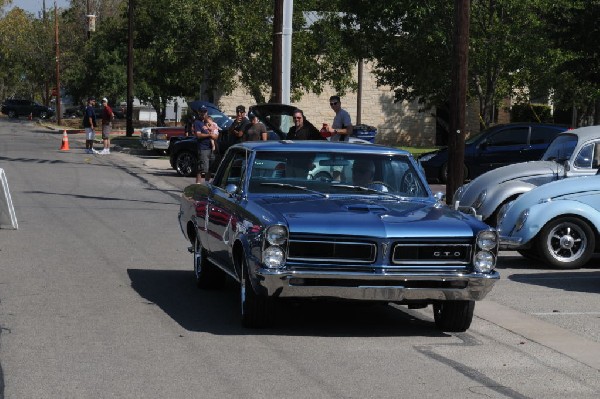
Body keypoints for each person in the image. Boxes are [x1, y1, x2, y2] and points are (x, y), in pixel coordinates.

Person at [194, 106, 217, 184]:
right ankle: (198, 185)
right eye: (202, 112)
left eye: (205, 112)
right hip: (203, 148)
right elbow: (198, 135)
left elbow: (215, 133)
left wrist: (213, 135)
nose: (203, 113)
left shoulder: (208, 122)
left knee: (210, 168)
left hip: (211, 148)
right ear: (199, 112)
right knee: (201, 168)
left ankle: (207, 184)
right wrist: (209, 135)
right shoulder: (197, 122)